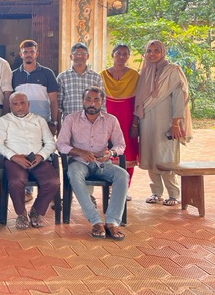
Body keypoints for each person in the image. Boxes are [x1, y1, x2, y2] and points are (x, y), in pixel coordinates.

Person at [57, 87, 128, 240]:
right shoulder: (71, 119)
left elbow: (120, 145)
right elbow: (61, 144)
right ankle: (96, 221)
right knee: (73, 174)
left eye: (96, 100)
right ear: (83, 101)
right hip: (79, 162)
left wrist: (110, 153)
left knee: (122, 175)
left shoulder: (111, 120)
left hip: (102, 163)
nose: (92, 103)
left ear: (102, 102)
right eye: (88, 99)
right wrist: (79, 152)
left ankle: (112, 222)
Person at [134, 40, 193, 207]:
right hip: (147, 122)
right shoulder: (145, 72)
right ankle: (156, 192)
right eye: (149, 51)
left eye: (156, 51)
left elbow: (179, 98)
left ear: (163, 52)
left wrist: (175, 123)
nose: (152, 54)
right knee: (150, 154)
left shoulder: (173, 70)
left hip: (166, 121)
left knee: (166, 157)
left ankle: (173, 194)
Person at [0, 92, 59, 229]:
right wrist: (14, 156)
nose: (20, 107)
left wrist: (41, 156)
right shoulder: (3, 121)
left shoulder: (39, 120)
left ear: (28, 104)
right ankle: (21, 213)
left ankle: (37, 211)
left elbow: (51, 143)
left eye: (23, 103)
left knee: (53, 182)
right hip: (14, 161)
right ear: (10, 106)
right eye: (15, 104)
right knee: (16, 181)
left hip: (37, 159)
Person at [12, 39, 59, 203]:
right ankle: (27, 190)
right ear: (21, 54)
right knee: (26, 154)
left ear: (36, 53)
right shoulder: (14, 75)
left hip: (43, 123)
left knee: (45, 156)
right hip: (21, 124)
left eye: (31, 52)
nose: (28, 55)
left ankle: (49, 192)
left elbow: (54, 100)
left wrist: (54, 122)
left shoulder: (47, 73)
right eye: (25, 52)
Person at [56, 42, 104, 204]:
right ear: (71, 56)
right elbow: (59, 104)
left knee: (89, 156)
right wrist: (59, 126)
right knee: (69, 159)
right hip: (70, 125)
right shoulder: (63, 77)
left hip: (91, 125)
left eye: (82, 54)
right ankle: (67, 193)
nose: (79, 57)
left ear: (87, 56)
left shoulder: (95, 77)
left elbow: (101, 103)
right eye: (76, 54)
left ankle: (88, 194)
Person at [100, 44, 139, 196]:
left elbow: (139, 100)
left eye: (124, 54)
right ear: (113, 55)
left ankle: (124, 189)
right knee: (108, 150)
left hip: (128, 118)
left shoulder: (134, 76)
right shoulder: (103, 75)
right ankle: (111, 188)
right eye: (118, 53)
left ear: (128, 56)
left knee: (128, 152)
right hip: (108, 118)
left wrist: (135, 123)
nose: (121, 57)